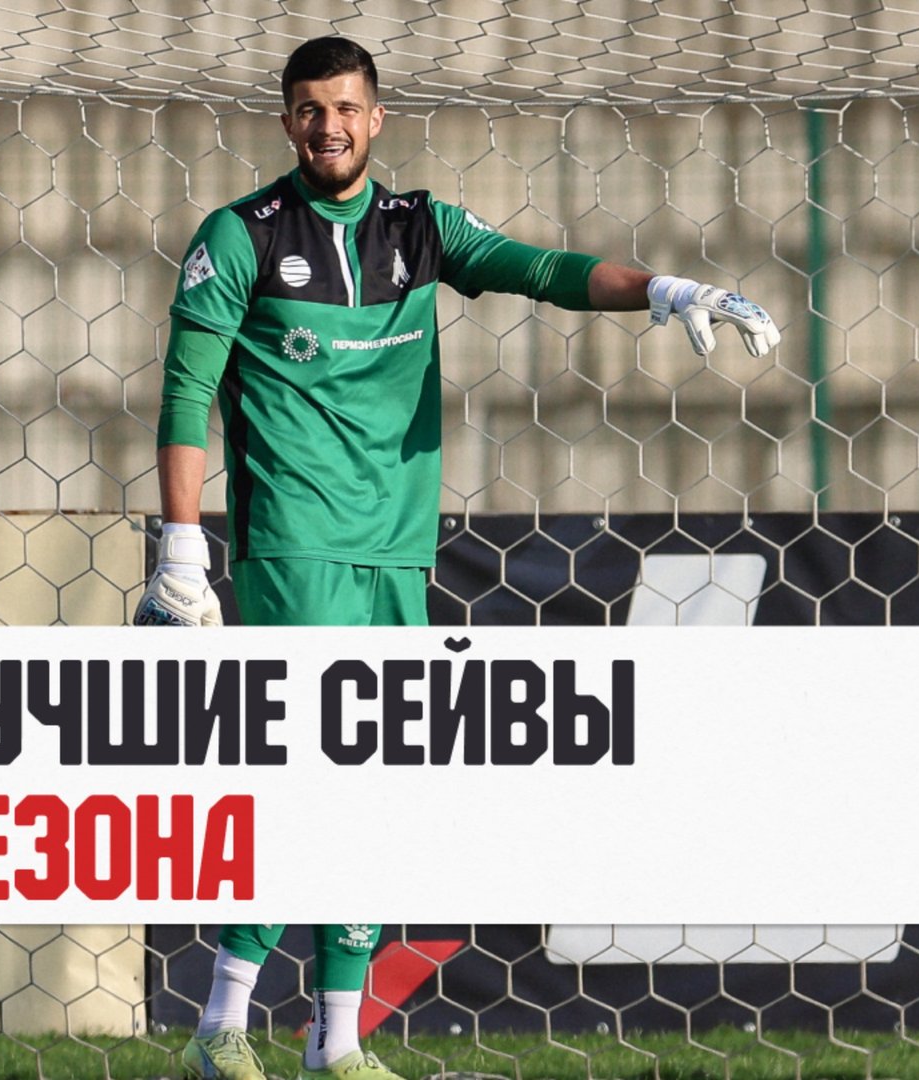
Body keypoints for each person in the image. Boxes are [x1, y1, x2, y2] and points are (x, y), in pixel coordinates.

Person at [133, 35, 781, 1080]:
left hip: (398, 551)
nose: (329, 127)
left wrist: (660, 289)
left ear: (377, 117)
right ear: (287, 120)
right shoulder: (241, 236)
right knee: (306, 782)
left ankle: (337, 1040)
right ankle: (222, 1025)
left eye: (346, 108)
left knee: (375, 788)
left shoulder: (420, 227)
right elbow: (184, 391)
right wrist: (181, 546)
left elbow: (544, 272)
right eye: (310, 109)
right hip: (294, 545)